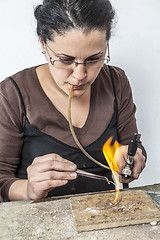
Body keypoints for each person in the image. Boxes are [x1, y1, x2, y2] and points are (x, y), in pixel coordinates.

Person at [0, 0, 146, 202]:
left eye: (94, 59)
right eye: (65, 60)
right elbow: (1, 180)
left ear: (106, 46)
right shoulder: (12, 95)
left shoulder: (116, 81)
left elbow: (132, 146)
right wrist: (29, 190)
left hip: (106, 215)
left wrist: (134, 158)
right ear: (43, 44)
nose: (79, 75)